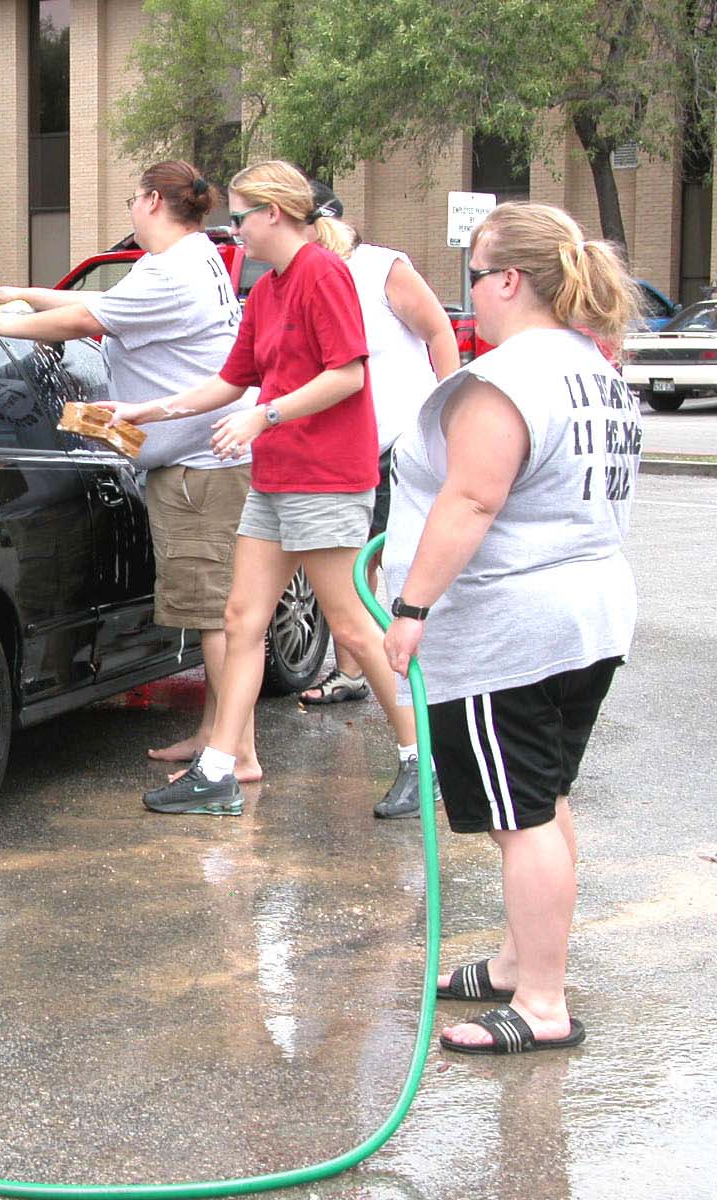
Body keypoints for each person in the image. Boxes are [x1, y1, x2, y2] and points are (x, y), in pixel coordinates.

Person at [381, 202, 641, 1054]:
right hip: (586, 616)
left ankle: (540, 1004)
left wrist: (411, 607)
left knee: (523, 814)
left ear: (507, 281)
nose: (471, 289)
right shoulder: (593, 368)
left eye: (474, 271)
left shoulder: (510, 378)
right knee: (542, 796)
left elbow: (475, 497)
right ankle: (516, 965)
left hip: (510, 628)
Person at [101, 160, 420, 817]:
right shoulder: (265, 288)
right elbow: (227, 381)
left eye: (241, 217)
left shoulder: (321, 274)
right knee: (243, 621)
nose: (233, 231)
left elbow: (348, 376)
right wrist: (145, 411)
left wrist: (265, 413)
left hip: (327, 477)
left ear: (275, 213)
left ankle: (423, 757)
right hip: (273, 477)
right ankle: (220, 771)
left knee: (354, 632)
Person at [0, 159, 259, 781]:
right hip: (194, 462)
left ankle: (234, 753)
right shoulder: (185, 256)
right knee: (214, 613)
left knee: (215, 616)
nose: (130, 207)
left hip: (200, 467)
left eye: (133, 197)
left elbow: (87, 322)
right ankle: (213, 733)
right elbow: (96, 301)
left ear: (152, 200)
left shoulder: (175, 271)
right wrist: (21, 292)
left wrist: (5, 323)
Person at [296, 201, 460, 797]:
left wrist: (451, 405)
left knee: (395, 575)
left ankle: (429, 730)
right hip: (345, 452)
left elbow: (438, 328)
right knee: (353, 572)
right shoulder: (301, 276)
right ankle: (352, 673)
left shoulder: (379, 266)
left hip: (399, 442)